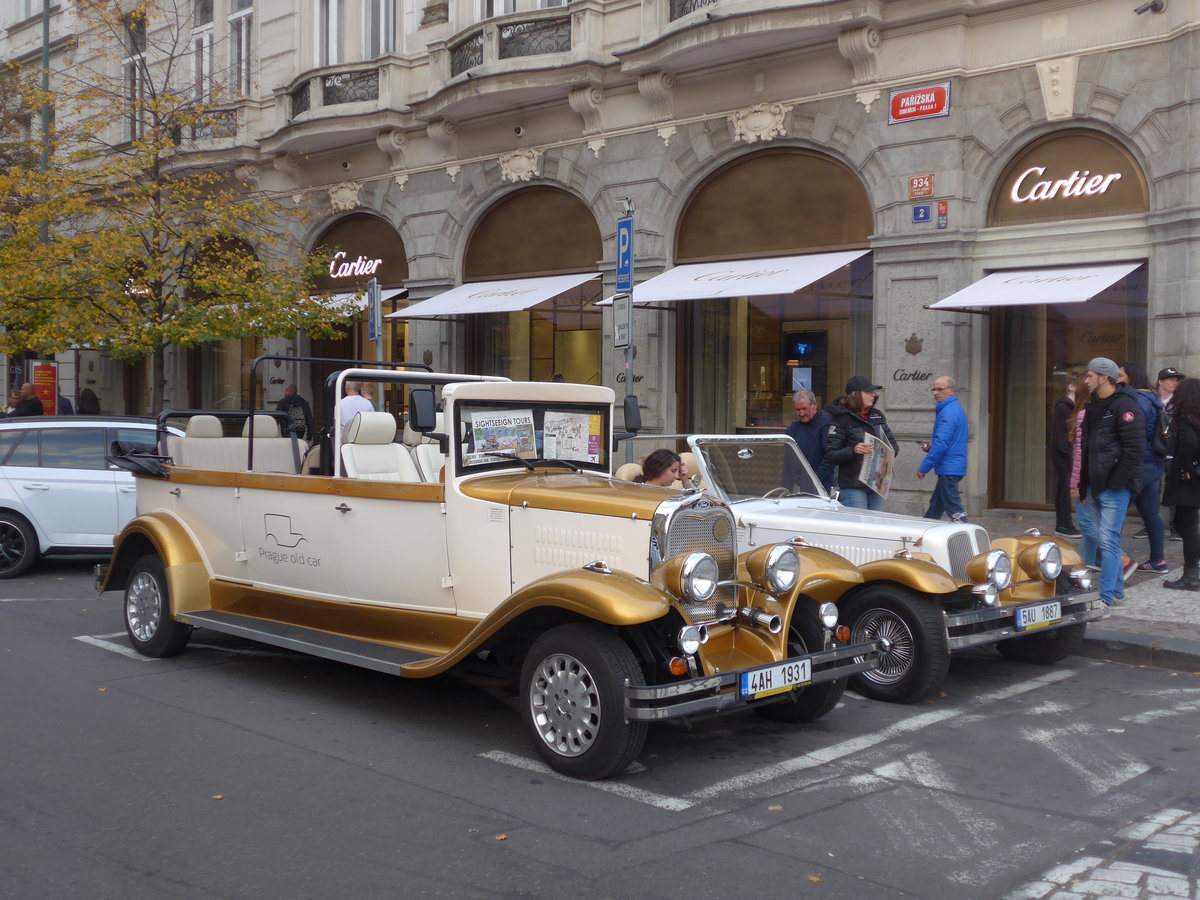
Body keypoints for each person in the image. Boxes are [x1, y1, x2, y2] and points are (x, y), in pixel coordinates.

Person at [1077, 357, 1144, 608]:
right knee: (1105, 540)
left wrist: (1116, 483)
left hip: (1114, 487)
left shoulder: (1126, 405)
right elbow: (1086, 450)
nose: (1086, 380)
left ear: (1104, 377)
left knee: (1107, 540)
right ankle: (1116, 592)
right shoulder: (1094, 405)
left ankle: (1105, 597)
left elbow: (1134, 450)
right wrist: (1084, 486)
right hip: (1095, 484)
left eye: (1090, 376)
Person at [1118, 361, 1167, 574]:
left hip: (1139, 463)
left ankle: (1116, 560)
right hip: (1154, 462)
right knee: (1150, 513)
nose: (1117, 377)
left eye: (1120, 374)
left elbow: (1132, 432)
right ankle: (1158, 560)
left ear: (1130, 376)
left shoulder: (1136, 399)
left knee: (1114, 512)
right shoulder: (1154, 398)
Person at [824, 375, 899, 511]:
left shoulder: (877, 416)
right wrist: (854, 450)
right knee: (860, 525)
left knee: (875, 524)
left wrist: (882, 450)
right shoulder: (840, 419)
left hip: (877, 483)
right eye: (868, 392)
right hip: (853, 485)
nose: (873, 395)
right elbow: (831, 455)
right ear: (856, 395)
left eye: (873, 392)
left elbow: (894, 448)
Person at [1162, 377, 1200, 591]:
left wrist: (1183, 468)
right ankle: (1192, 573)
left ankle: (1191, 575)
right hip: (1195, 478)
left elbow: (1188, 443)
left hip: (1188, 481)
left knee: (1187, 527)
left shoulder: (1185, 418)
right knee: (1188, 526)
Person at [917, 375, 969, 522]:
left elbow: (942, 444)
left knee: (954, 510)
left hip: (949, 468)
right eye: (933, 389)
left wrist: (924, 467)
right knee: (936, 507)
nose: (935, 392)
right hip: (951, 467)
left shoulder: (948, 411)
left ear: (951, 390)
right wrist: (934, 445)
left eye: (940, 389)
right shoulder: (952, 409)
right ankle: (924, 533)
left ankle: (967, 538)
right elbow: (947, 441)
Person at [1050, 371, 1081, 537]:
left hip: (1070, 455)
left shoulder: (1077, 407)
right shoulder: (1063, 407)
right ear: (1071, 386)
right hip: (1064, 457)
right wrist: (1070, 455)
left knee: (1066, 489)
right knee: (1064, 490)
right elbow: (1060, 435)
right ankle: (1063, 524)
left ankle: (1065, 523)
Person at [785, 389, 834, 491]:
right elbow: (788, 461)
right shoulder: (793, 428)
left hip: (821, 486)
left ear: (814, 405)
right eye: (798, 410)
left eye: (804, 409)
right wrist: (786, 488)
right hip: (801, 483)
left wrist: (815, 481)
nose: (801, 413)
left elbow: (829, 458)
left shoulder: (826, 424)